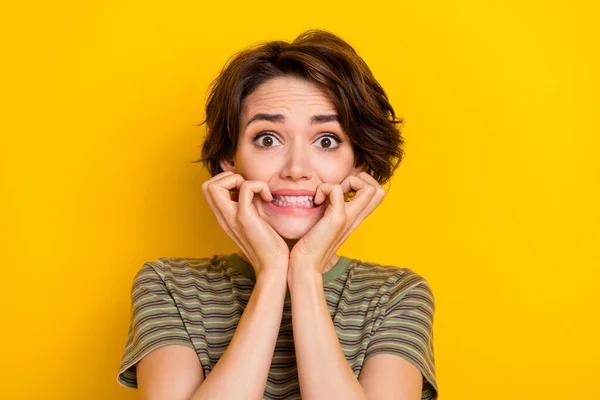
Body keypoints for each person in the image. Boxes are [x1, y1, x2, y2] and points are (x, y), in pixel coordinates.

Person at [117, 29, 438, 399]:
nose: (297, 168)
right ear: (229, 159)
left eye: (327, 140)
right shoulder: (168, 286)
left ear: (358, 165)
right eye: (268, 139)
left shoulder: (395, 295)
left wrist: (304, 272)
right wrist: (271, 273)